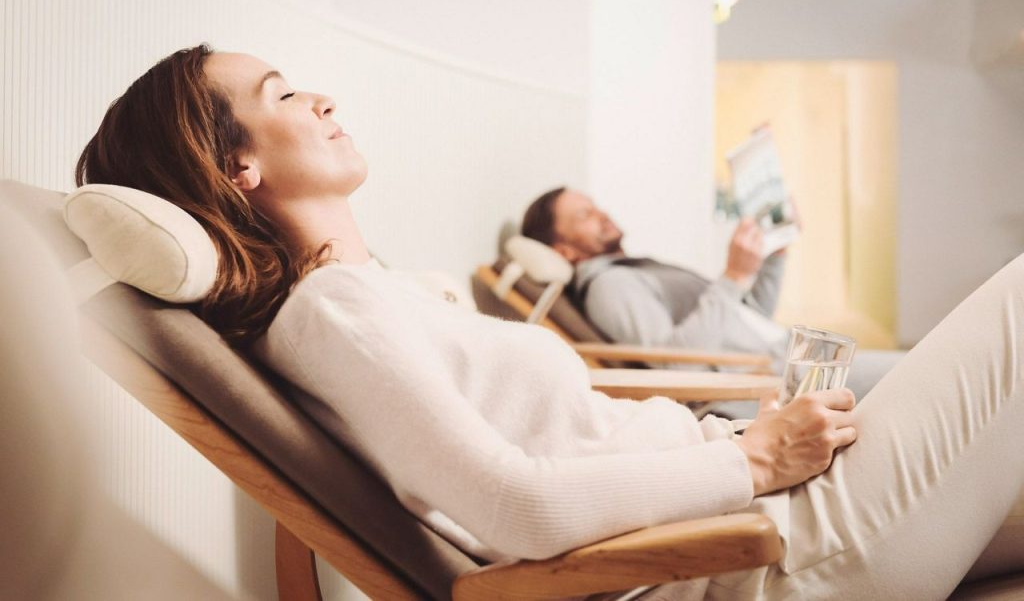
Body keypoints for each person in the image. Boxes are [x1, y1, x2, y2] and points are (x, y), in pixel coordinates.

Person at [75, 45, 1024, 600]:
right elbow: (515, 510)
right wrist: (758, 459)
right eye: (281, 94)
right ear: (234, 167)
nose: (320, 97)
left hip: (758, 512)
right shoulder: (334, 315)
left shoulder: (375, 297)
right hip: (763, 556)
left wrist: (744, 446)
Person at [520, 187, 900, 405]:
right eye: (585, 215)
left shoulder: (632, 270)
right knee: (925, 373)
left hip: (789, 359)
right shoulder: (609, 287)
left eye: (596, 205)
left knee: (924, 371)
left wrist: (770, 261)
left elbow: (745, 319)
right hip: (778, 379)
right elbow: (674, 366)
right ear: (565, 251)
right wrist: (734, 275)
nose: (602, 214)